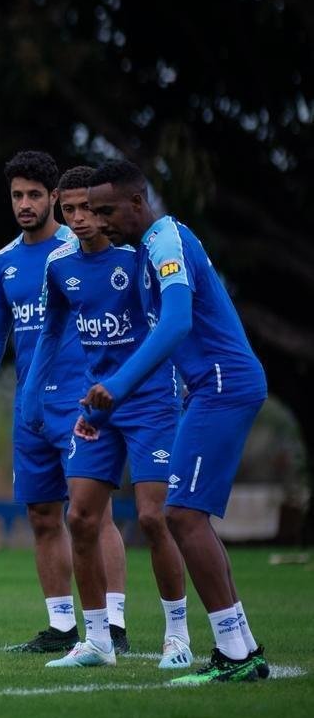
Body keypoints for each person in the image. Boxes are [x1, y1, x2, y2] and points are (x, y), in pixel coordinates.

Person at [83, 159, 269, 684]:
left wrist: (115, 387)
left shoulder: (166, 241)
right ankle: (243, 648)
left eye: (107, 210)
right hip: (210, 387)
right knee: (187, 517)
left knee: (181, 516)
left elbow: (177, 323)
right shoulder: (152, 248)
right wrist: (107, 404)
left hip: (222, 384)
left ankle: (234, 654)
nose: (99, 221)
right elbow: (158, 339)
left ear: (138, 203)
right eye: (92, 212)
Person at [0, 151, 130, 654]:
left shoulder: (85, 250)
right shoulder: (3, 263)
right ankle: (61, 627)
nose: (24, 204)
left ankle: (113, 623)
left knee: (94, 516)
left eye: (34, 195)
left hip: (82, 405)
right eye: (16, 195)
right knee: (42, 517)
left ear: (55, 197)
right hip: (30, 409)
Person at [21, 166, 190, 669]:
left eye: (89, 208)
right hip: (97, 406)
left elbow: (169, 322)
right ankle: (95, 640)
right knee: (79, 517)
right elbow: (50, 333)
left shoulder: (137, 258)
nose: (80, 219)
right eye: (69, 210)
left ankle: (177, 637)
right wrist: (32, 392)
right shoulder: (59, 266)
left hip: (151, 402)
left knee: (153, 518)